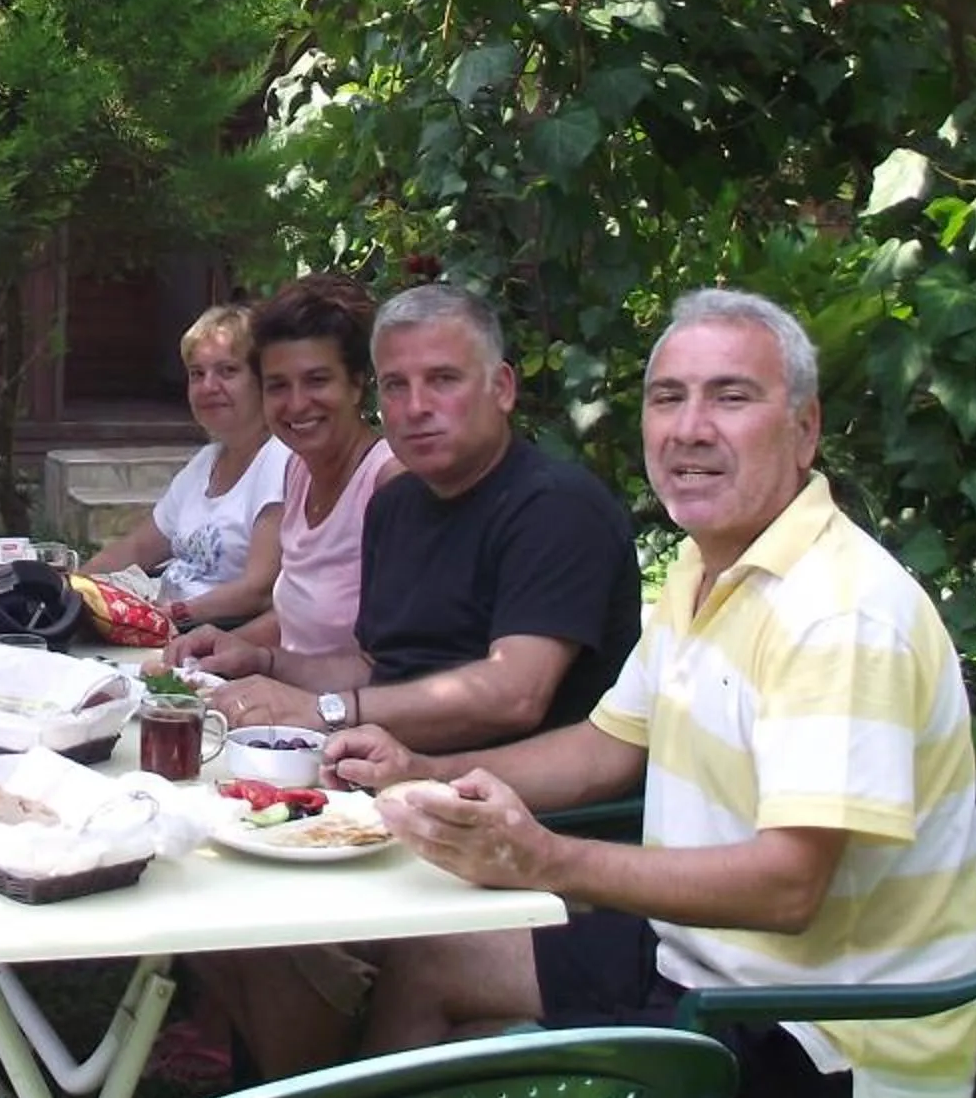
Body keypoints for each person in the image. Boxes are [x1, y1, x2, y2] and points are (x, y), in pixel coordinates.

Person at [333, 288, 976, 1098]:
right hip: (707, 973)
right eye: (667, 397)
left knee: (490, 1063)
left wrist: (547, 862)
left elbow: (788, 887)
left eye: (730, 397)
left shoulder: (838, 615)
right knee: (433, 966)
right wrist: (424, 766)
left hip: (833, 1051)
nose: (688, 428)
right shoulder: (704, 568)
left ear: (804, 430)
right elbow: (605, 748)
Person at [188, 284, 639, 753]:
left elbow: (514, 695)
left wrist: (327, 712)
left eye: (443, 379)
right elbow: (372, 666)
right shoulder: (395, 505)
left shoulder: (556, 508)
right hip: (378, 774)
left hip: (508, 804)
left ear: (502, 389)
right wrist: (261, 662)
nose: (416, 407)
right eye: (396, 385)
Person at [162, 272, 402, 674]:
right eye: (277, 385)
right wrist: (219, 644)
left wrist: (266, 664)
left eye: (317, 380)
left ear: (357, 385)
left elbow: (390, 668)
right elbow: (299, 624)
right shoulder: (298, 470)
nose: (296, 404)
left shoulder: (389, 485)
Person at [82, 303, 286, 628]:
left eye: (227, 371)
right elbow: (136, 547)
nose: (208, 386)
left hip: (212, 640)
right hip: (163, 626)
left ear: (262, 381)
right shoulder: (206, 462)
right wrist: (72, 585)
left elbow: (259, 591)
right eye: (197, 374)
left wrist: (168, 617)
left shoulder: (279, 460)